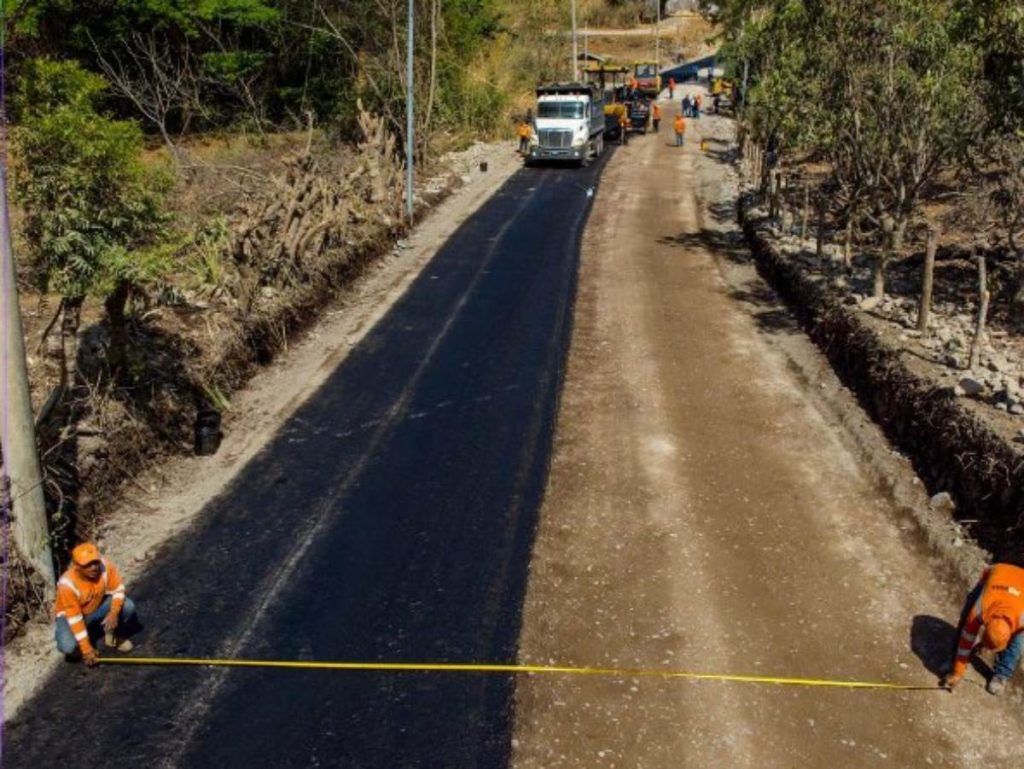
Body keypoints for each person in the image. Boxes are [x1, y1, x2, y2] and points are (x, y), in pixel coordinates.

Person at [942, 562, 1024, 695]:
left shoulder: (1022, 618)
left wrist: (985, 643)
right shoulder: (979, 610)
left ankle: (1001, 675)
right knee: (966, 619)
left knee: (1017, 642)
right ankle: (955, 658)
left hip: (1022, 585)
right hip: (996, 572)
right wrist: (957, 672)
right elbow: (966, 639)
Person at [54, 542, 138, 667]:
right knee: (67, 646)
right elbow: (75, 618)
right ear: (77, 566)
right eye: (87, 565)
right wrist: (86, 649)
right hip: (71, 617)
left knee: (128, 606)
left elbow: (118, 589)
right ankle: (84, 643)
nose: (94, 567)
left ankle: (113, 634)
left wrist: (114, 612)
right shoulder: (67, 585)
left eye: (95, 562)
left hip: (96, 608)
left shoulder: (106, 566)